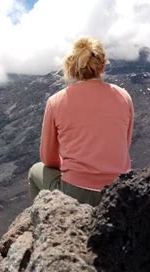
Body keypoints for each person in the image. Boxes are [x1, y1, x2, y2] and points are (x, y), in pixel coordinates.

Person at [28, 36, 134, 206]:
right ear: (103, 65)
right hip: (119, 192)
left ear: (71, 66)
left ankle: (43, 225)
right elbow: (124, 145)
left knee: (35, 171)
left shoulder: (56, 101)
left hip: (75, 192)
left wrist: (75, 165)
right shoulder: (124, 97)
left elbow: (48, 159)